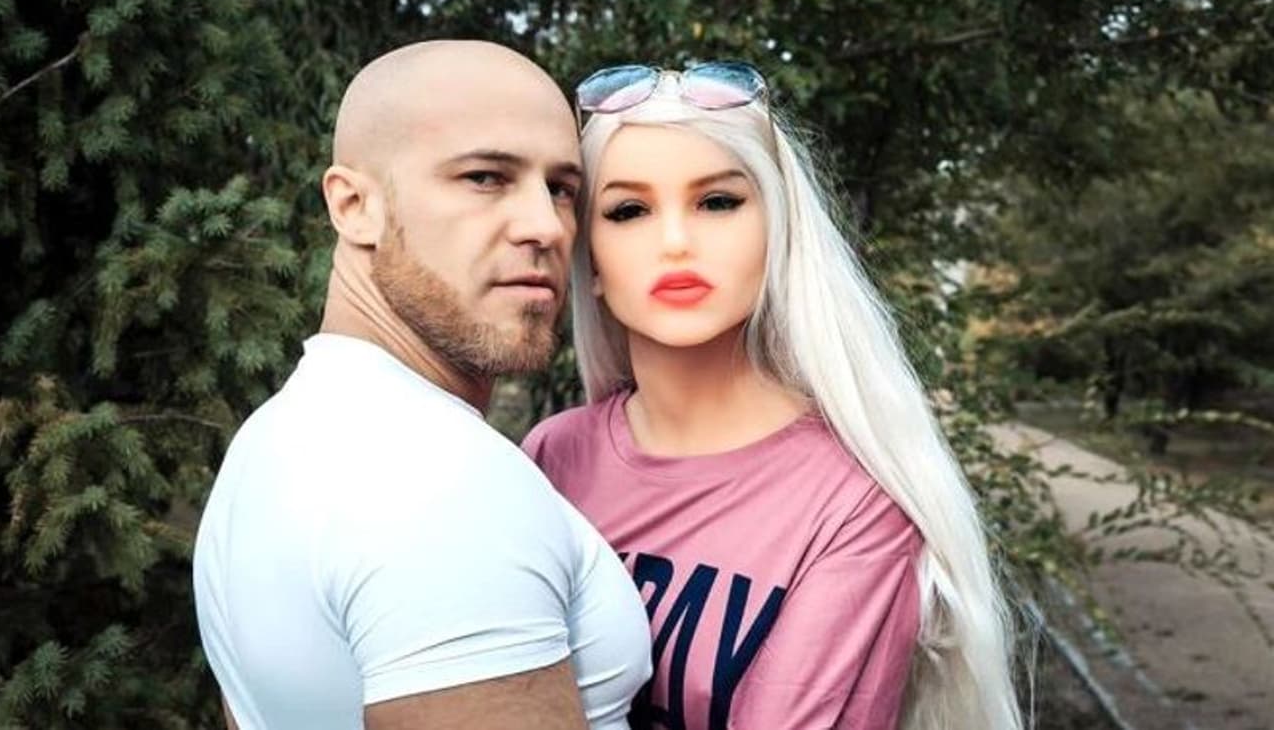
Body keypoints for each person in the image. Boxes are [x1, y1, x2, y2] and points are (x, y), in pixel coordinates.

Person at [522, 62, 1022, 730]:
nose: (676, 243)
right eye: (629, 211)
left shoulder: (855, 504)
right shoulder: (552, 456)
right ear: (591, 262)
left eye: (717, 202)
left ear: (778, 232)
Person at [192, 40, 652, 730]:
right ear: (354, 205)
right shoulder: (441, 478)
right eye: (485, 177)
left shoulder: (270, 442)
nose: (546, 227)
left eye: (561, 189)